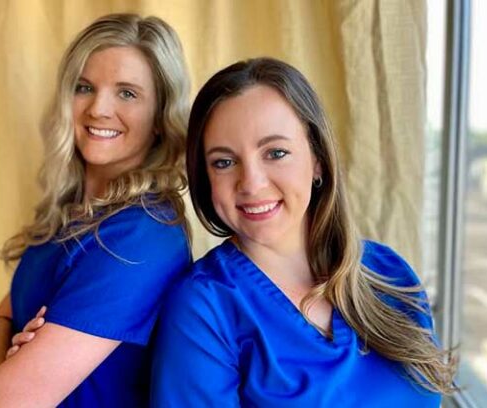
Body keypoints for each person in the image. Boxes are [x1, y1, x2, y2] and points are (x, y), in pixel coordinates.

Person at [150, 57, 457, 407]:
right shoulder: (202, 308)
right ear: (206, 179)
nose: (251, 183)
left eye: (275, 153)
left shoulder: (388, 271)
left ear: (317, 160)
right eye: (224, 162)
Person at [0, 13, 192, 407]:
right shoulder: (71, 213)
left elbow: (1, 402)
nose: (98, 109)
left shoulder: (142, 235)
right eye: (84, 87)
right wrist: (4, 333)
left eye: (127, 93)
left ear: (160, 117)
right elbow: (8, 307)